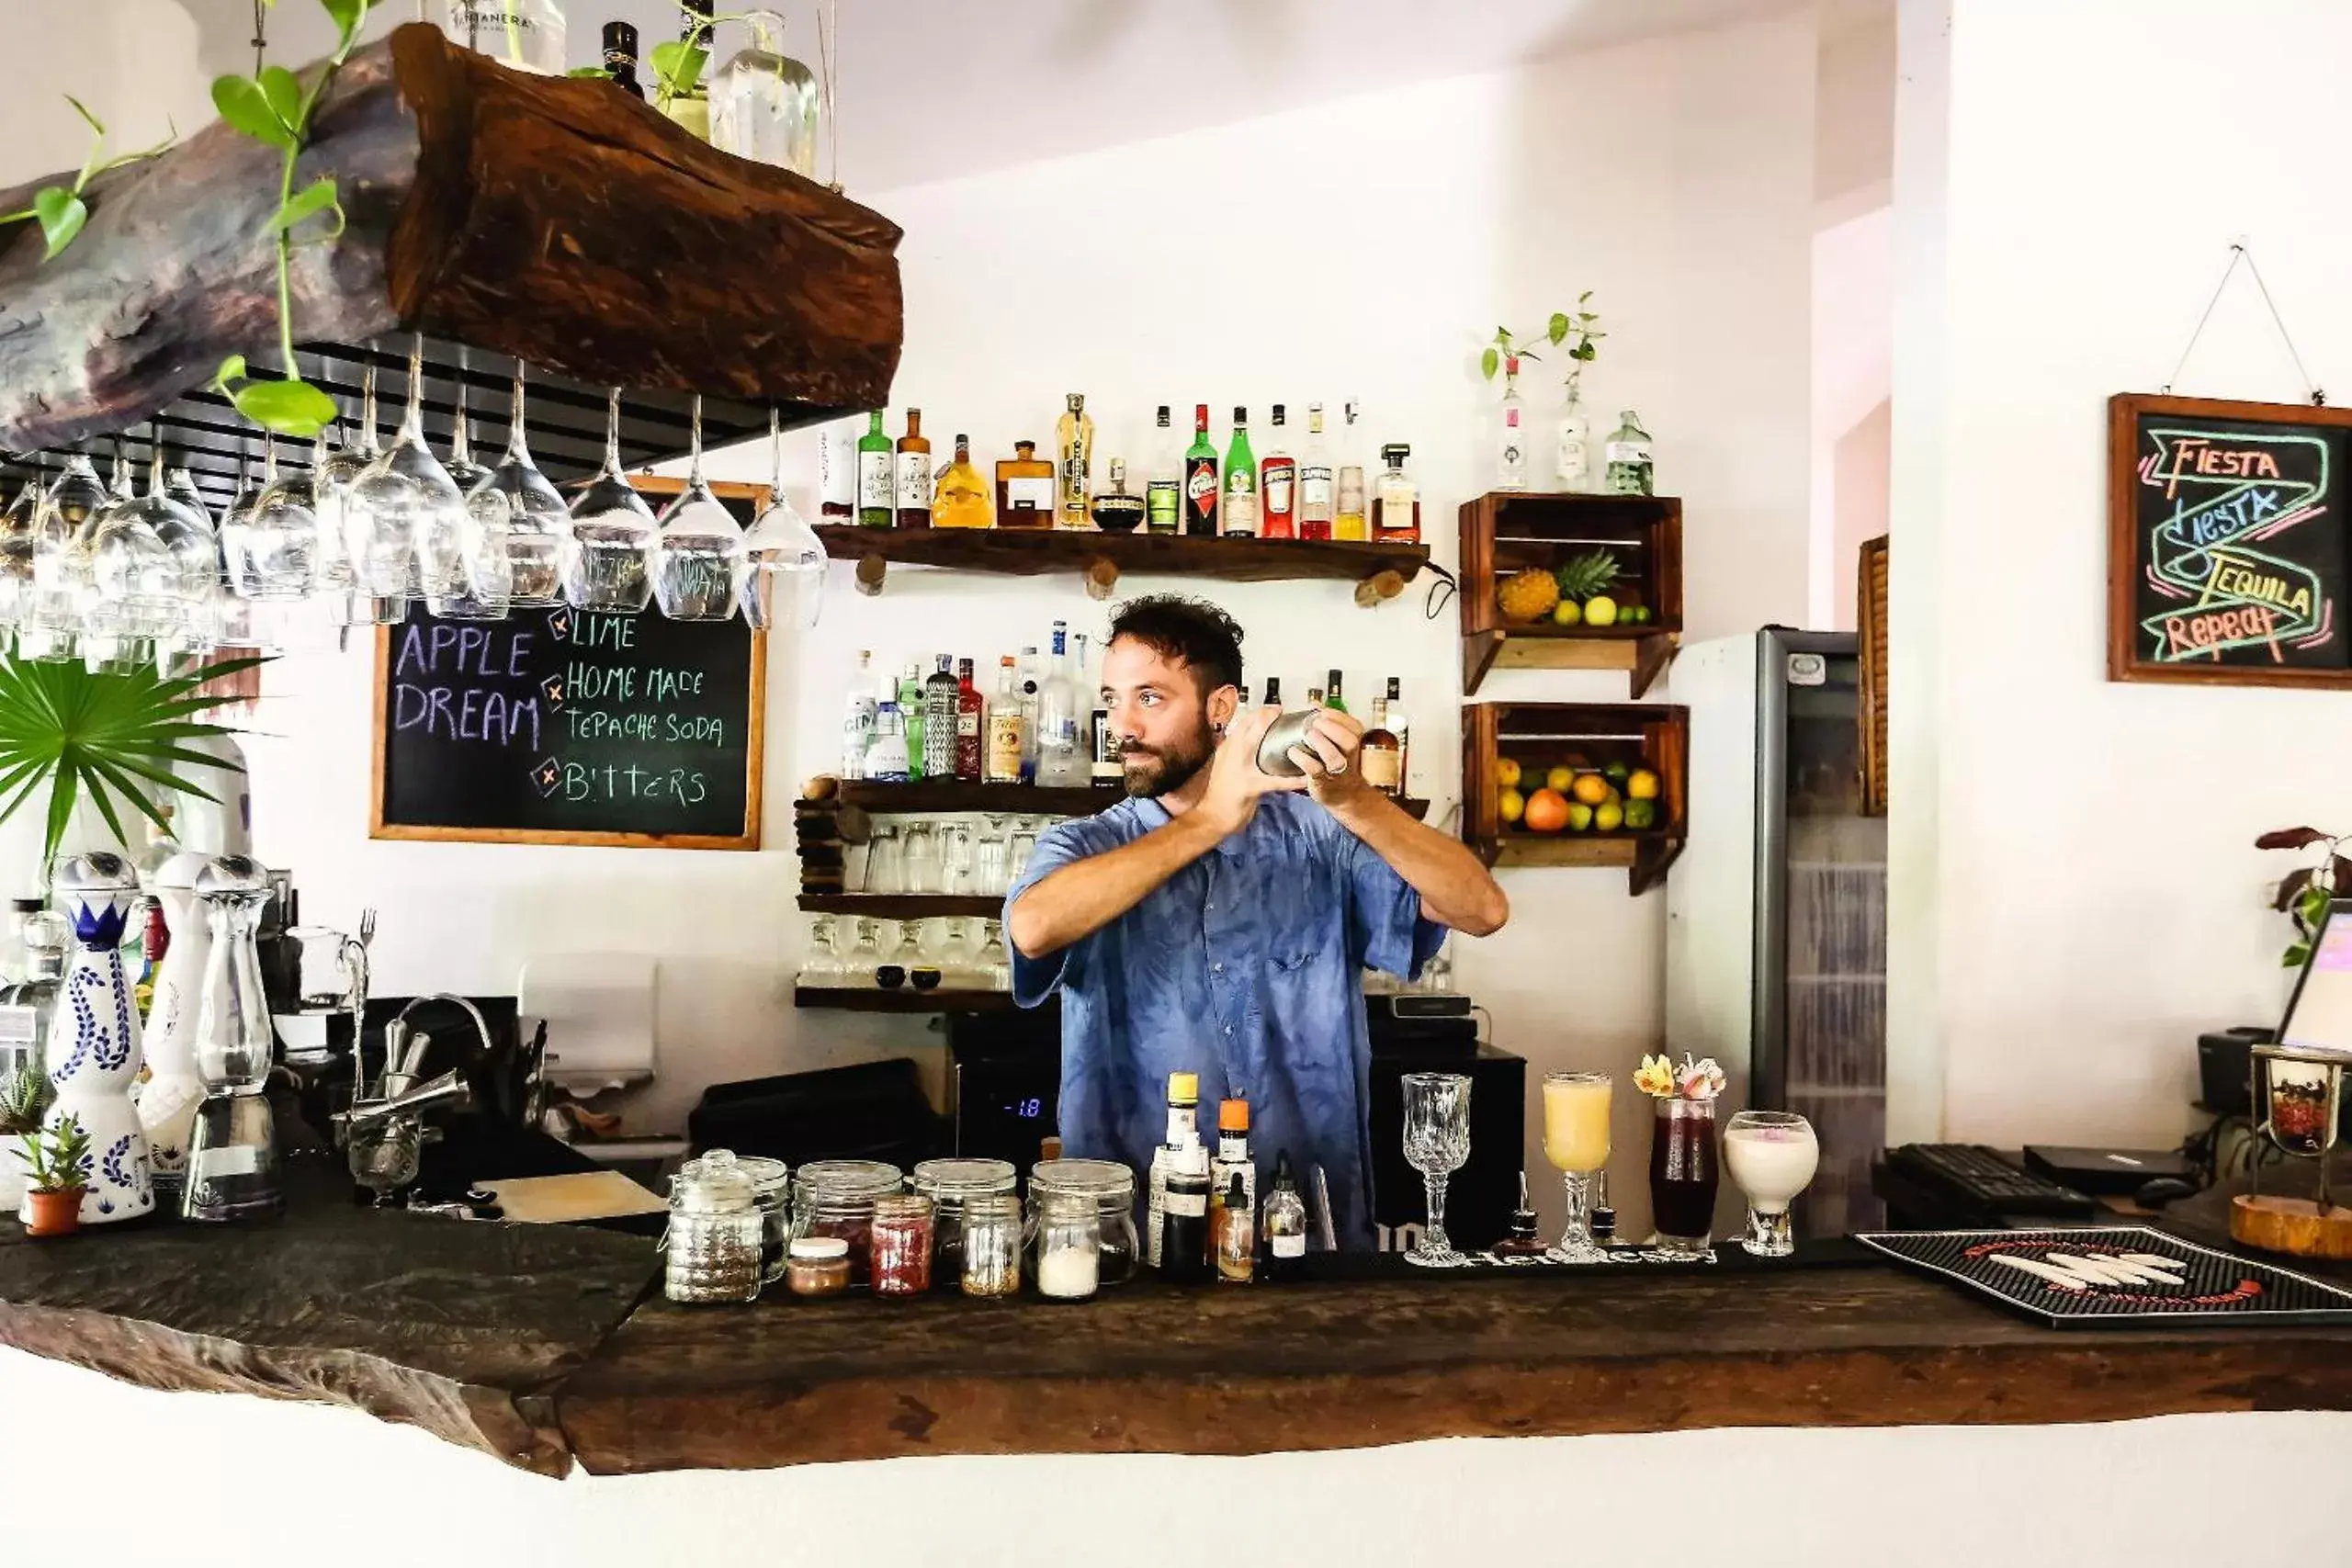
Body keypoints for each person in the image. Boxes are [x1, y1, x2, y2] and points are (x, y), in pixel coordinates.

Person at [1005, 595, 1508, 1250]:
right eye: (1112, 698)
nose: (1121, 724)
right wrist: (1210, 818)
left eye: (1149, 698)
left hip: (1306, 1225)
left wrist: (1355, 799)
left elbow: (1482, 908)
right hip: (1133, 1240)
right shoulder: (1085, 845)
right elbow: (1033, 928)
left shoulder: (1321, 838)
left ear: (1220, 709)